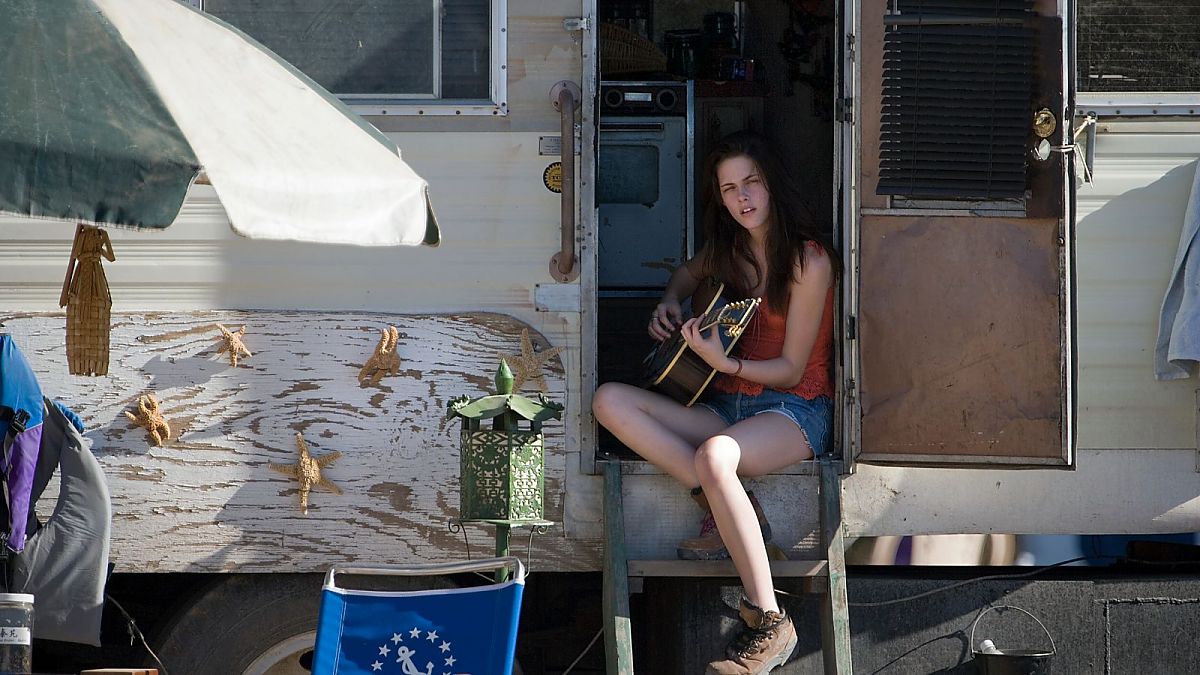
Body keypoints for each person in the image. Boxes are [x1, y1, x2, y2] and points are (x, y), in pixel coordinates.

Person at [592, 131, 839, 675]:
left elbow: (793, 368)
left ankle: (770, 621)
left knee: (714, 457)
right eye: (729, 188)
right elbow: (685, 273)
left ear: (771, 183)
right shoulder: (729, 252)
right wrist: (669, 301)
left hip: (793, 410)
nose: (742, 197)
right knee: (609, 401)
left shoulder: (808, 260)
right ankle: (731, 509)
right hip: (727, 405)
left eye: (751, 182)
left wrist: (726, 363)